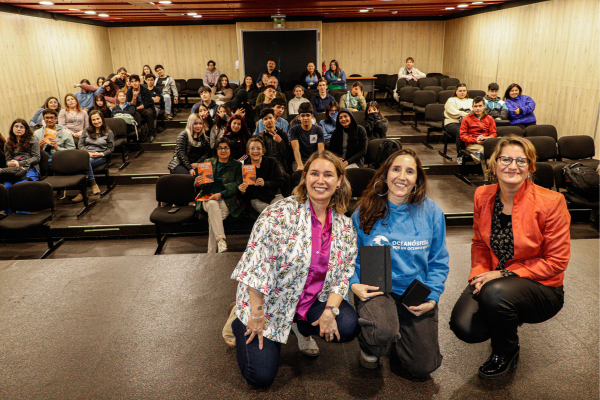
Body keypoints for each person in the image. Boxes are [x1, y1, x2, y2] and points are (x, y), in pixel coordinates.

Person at [226, 150, 360, 388]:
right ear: (304, 177)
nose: (321, 181)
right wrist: (256, 316)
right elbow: (256, 269)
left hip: (311, 300)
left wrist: (330, 310)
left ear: (339, 180)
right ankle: (238, 314)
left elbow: (344, 273)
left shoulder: (345, 224)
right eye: (314, 173)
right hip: (268, 304)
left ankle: (300, 327)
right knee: (260, 377)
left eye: (328, 175)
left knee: (347, 325)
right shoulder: (278, 213)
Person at [449, 135, 570, 379]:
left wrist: (502, 274)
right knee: (465, 328)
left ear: (530, 168)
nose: (512, 166)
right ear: (494, 164)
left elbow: (556, 262)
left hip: (542, 286)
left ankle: (506, 350)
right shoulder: (482, 195)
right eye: (505, 159)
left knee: (495, 294)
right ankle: (505, 312)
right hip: (494, 280)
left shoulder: (552, 202)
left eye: (520, 161)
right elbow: (479, 244)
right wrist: (479, 275)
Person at [350, 148, 449, 377]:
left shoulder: (431, 211)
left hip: (414, 291)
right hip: (377, 287)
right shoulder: (365, 210)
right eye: (396, 169)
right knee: (381, 332)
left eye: (410, 171)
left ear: (417, 179)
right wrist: (354, 283)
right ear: (385, 175)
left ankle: (397, 332)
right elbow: (349, 256)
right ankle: (371, 342)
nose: (402, 177)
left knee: (422, 367)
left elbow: (438, 260)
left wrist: (433, 297)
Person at [194, 137, 243, 253]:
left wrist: (221, 194)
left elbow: (238, 185)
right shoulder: (208, 163)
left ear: (230, 150)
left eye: (226, 147)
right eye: (220, 148)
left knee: (213, 219)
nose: (223, 150)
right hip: (207, 198)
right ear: (216, 150)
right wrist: (197, 183)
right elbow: (197, 186)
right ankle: (221, 240)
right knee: (212, 204)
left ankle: (211, 252)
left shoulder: (236, 165)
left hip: (227, 200)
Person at [71, 111, 114, 202]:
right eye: (93, 120)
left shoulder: (108, 132)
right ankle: (93, 184)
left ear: (102, 119)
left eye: (98, 119)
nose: (96, 121)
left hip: (100, 156)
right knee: (85, 163)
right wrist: (87, 153)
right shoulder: (86, 131)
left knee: (83, 165)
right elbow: (80, 145)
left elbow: (111, 148)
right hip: (87, 155)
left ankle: (82, 192)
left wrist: (101, 154)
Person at [239, 137, 285, 213]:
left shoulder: (272, 162)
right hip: (257, 199)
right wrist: (243, 191)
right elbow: (248, 195)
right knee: (270, 214)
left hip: (275, 196)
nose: (255, 151)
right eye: (252, 148)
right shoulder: (245, 167)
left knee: (279, 213)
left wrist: (265, 183)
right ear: (248, 152)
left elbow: (280, 182)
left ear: (263, 150)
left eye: (258, 148)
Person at [459, 96, 497, 179]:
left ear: (484, 106)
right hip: (472, 143)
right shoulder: (466, 119)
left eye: (480, 106)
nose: (478, 108)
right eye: (475, 106)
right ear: (472, 107)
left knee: (493, 154)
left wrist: (488, 138)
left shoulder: (489, 118)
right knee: (484, 152)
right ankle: (488, 179)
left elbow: (493, 133)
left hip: (486, 143)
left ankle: (494, 177)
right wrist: (476, 140)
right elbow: (463, 136)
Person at [3, 119, 40, 194]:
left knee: (18, 187)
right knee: (6, 187)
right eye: (16, 126)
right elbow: (8, 159)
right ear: (12, 128)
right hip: (14, 170)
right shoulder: (8, 142)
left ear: (26, 129)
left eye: (22, 127)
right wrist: (9, 163)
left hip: (30, 169)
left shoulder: (32, 140)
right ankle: (9, 206)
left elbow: (36, 158)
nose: (18, 129)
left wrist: (20, 163)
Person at [290, 102, 325, 171]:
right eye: (303, 116)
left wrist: (319, 163)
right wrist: (300, 165)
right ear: (299, 117)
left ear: (312, 116)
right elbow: (296, 149)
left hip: (314, 160)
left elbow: (321, 150)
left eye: (308, 115)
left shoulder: (318, 129)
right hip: (300, 161)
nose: (305, 118)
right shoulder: (294, 130)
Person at [256, 107, 290, 173]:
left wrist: (280, 141)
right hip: (265, 164)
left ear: (274, 119)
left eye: (270, 118)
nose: (269, 120)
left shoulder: (283, 134)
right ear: (263, 122)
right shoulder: (259, 137)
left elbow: (287, 154)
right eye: (266, 119)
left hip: (280, 164)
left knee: (284, 177)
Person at [126, 74, 157, 143]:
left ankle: (152, 134)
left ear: (139, 82)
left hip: (145, 108)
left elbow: (147, 104)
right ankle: (138, 136)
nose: (134, 83)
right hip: (134, 109)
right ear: (130, 83)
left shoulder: (145, 90)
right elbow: (130, 105)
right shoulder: (129, 92)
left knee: (149, 113)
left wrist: (135, 108)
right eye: (132, 82)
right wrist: (134, 97)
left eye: (136, 81)